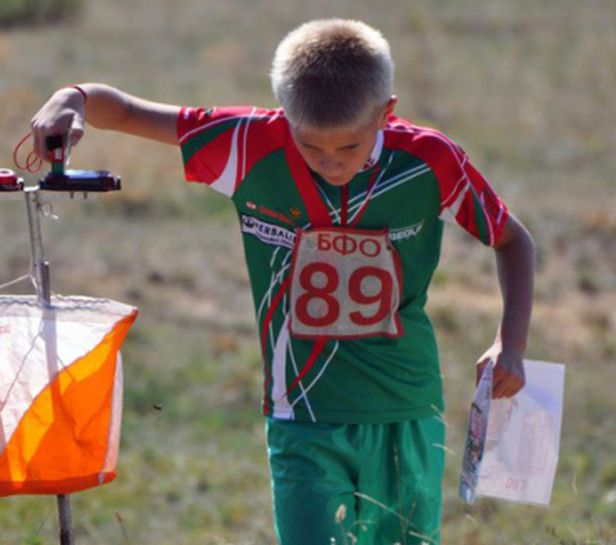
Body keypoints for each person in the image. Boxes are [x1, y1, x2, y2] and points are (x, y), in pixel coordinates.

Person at [29, 18, 534, 545]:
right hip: (301, 414)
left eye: (350, 147)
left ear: (387, 113)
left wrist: (510, 343)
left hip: (405, 409)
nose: (330, 164)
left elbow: (512, 240)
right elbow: (131, 112)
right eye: (312, 147)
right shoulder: (250, 143)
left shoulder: (430, 161)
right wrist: (74, 97)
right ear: (286, 117)